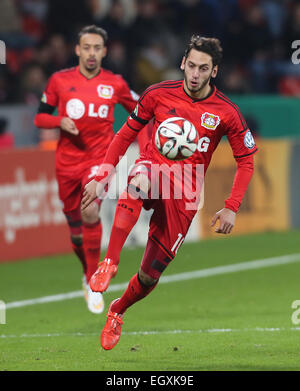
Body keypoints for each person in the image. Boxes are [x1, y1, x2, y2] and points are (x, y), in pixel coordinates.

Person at [81, 35, 258, 348]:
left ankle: (117, 310)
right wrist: (102, 175)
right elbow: (125, 135)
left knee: (150, 276)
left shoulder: (227, 112)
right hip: (154, 168)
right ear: (182, 64)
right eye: (191, 66)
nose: (195, 74)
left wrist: (231, 206)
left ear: (214, 72)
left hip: (186, 192)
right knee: (137, 182)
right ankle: (109, 261)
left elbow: (246, 161)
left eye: (203, 69)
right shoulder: (157, 94)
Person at [34, 25, 141, 314]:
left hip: (98, 160)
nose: (92, 53)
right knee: (76, 232)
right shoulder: (59, 80)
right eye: (87, 47)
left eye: (97, 48)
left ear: (104, 51)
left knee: (91, 211)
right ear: (77, 50)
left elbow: (142, 110)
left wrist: (147, 144)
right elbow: (40, 119)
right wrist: (59, 122)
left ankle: (94, 279)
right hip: (66, 164)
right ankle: (87, 271)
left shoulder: (115, 83)